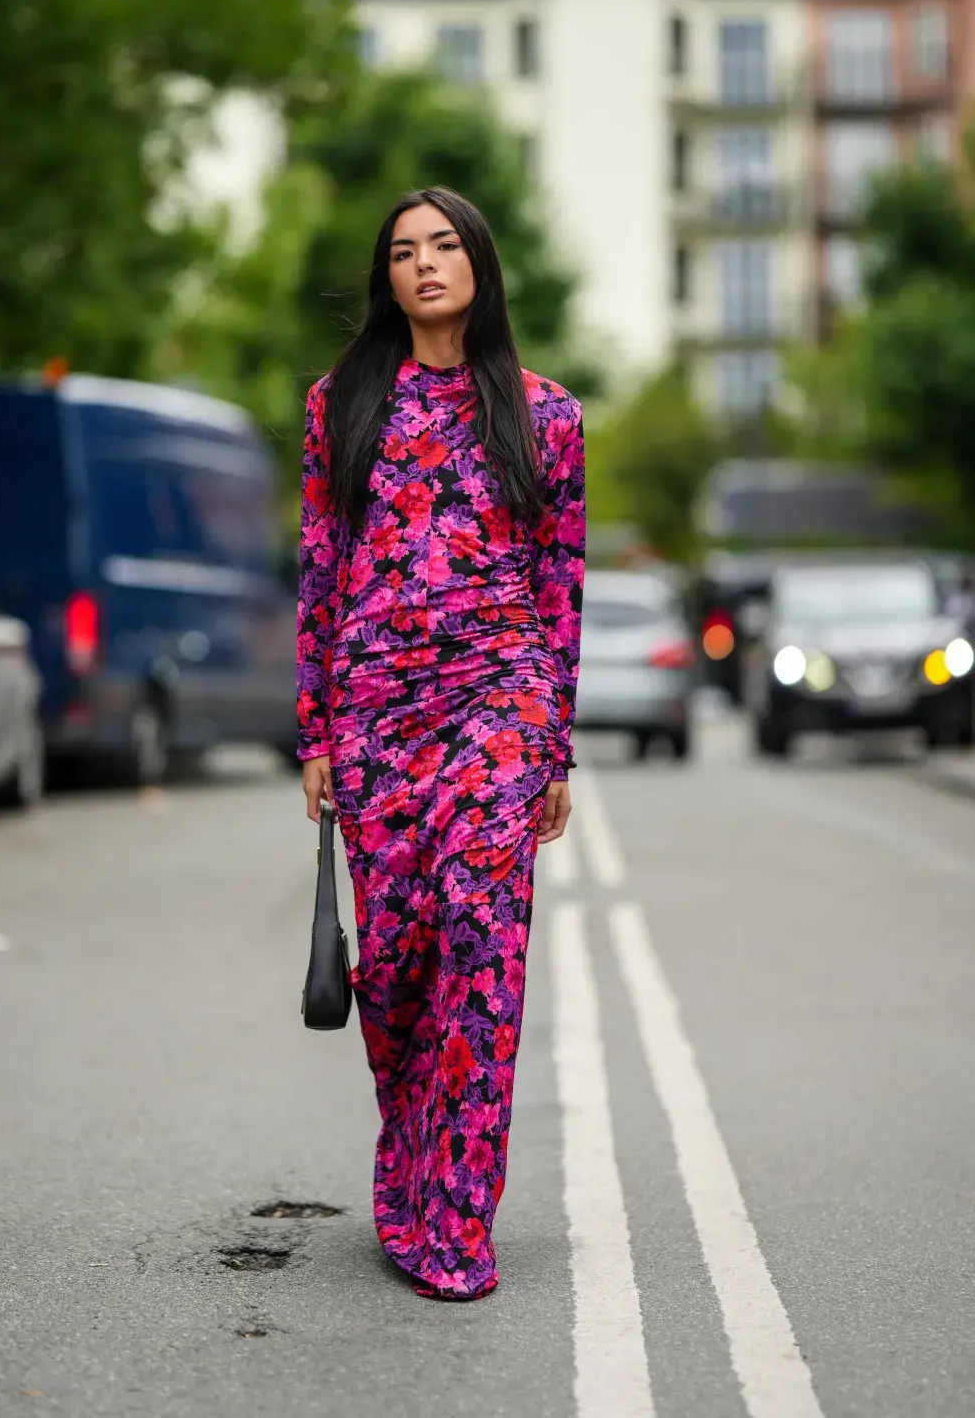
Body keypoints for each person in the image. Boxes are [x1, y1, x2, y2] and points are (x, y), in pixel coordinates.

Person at [296, 186, 585, 1300]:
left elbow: (560, 586)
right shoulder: (342, 404)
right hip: (376, 711)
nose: (426, 264)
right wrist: (316, 729)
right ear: (388, 278)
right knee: (404, 959)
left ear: (479, 265)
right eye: (405, 251)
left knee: (482, 951)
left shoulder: (543, 413)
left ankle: (455, 1221)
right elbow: (321, 565)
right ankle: (406, 1164)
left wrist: (551, 746)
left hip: (499, 705)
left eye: (445, 245)